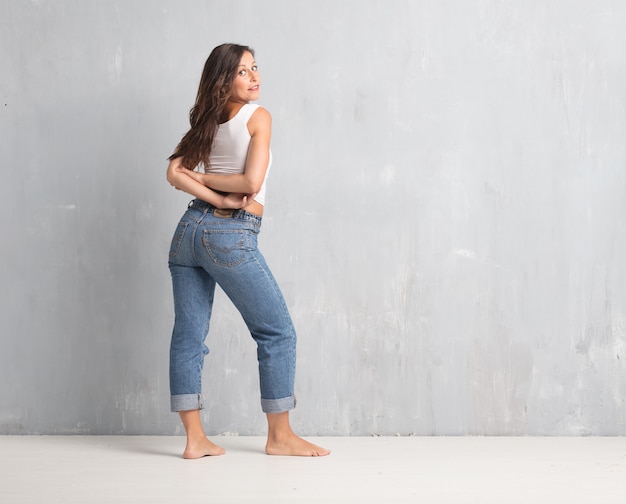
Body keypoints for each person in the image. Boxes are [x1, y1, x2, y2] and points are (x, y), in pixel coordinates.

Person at [165, 43, 329, 458]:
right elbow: (251, 182)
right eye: (242, 71)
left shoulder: (204, 122)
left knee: (188, 336)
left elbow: (174, 173)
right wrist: (221, 199)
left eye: (255, 68)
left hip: (188, 233)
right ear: (223, 79)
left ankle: (195, 440)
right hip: (228, 234)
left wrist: (207, 190)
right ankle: (279, 437)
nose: (254, 77)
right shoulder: (258, 116)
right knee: (276, 331)